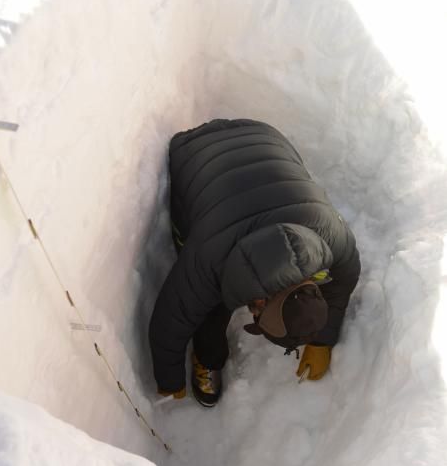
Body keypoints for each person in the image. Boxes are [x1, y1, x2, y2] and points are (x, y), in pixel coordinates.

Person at [149, 119, 360, 407]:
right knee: (210, 309)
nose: (253, 316)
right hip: (193, 152)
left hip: (264, 133)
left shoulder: (332, 240)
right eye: (259, 319)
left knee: (218, 290)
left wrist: (322, 340)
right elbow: (170, 323)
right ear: (260, 303)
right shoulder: (209, 260)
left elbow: (342, 285)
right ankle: (207, 357)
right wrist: (169, 381)